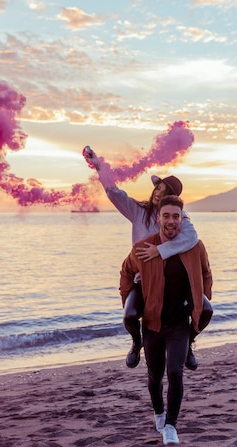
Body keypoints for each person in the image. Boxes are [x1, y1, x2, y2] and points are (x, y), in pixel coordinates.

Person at [83, 146, 212, 370]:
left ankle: (189, 343)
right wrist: (99, 166)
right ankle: (136, 342)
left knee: (206, 310)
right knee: (130, 316)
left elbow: (192, 237)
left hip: (173, 283)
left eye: (165, 191)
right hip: (144, 281)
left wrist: (159, 251)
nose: (159, 193)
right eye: (158, 188)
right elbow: (115, 192)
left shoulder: (179, 219)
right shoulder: (138, 212)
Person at [120, 194, 213, 445]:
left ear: (182, 220)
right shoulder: (143, 247)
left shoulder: (195, 247)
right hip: (151, 322)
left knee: (175, 372)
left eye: (176, 216)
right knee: (154, 376)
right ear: (158, 218)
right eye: (166, 216)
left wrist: (199, 300)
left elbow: (206, 273)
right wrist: (131, 300)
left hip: (178, 324)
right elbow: (126, 272)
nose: (171, 221)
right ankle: (158, 411)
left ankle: (171, 426)